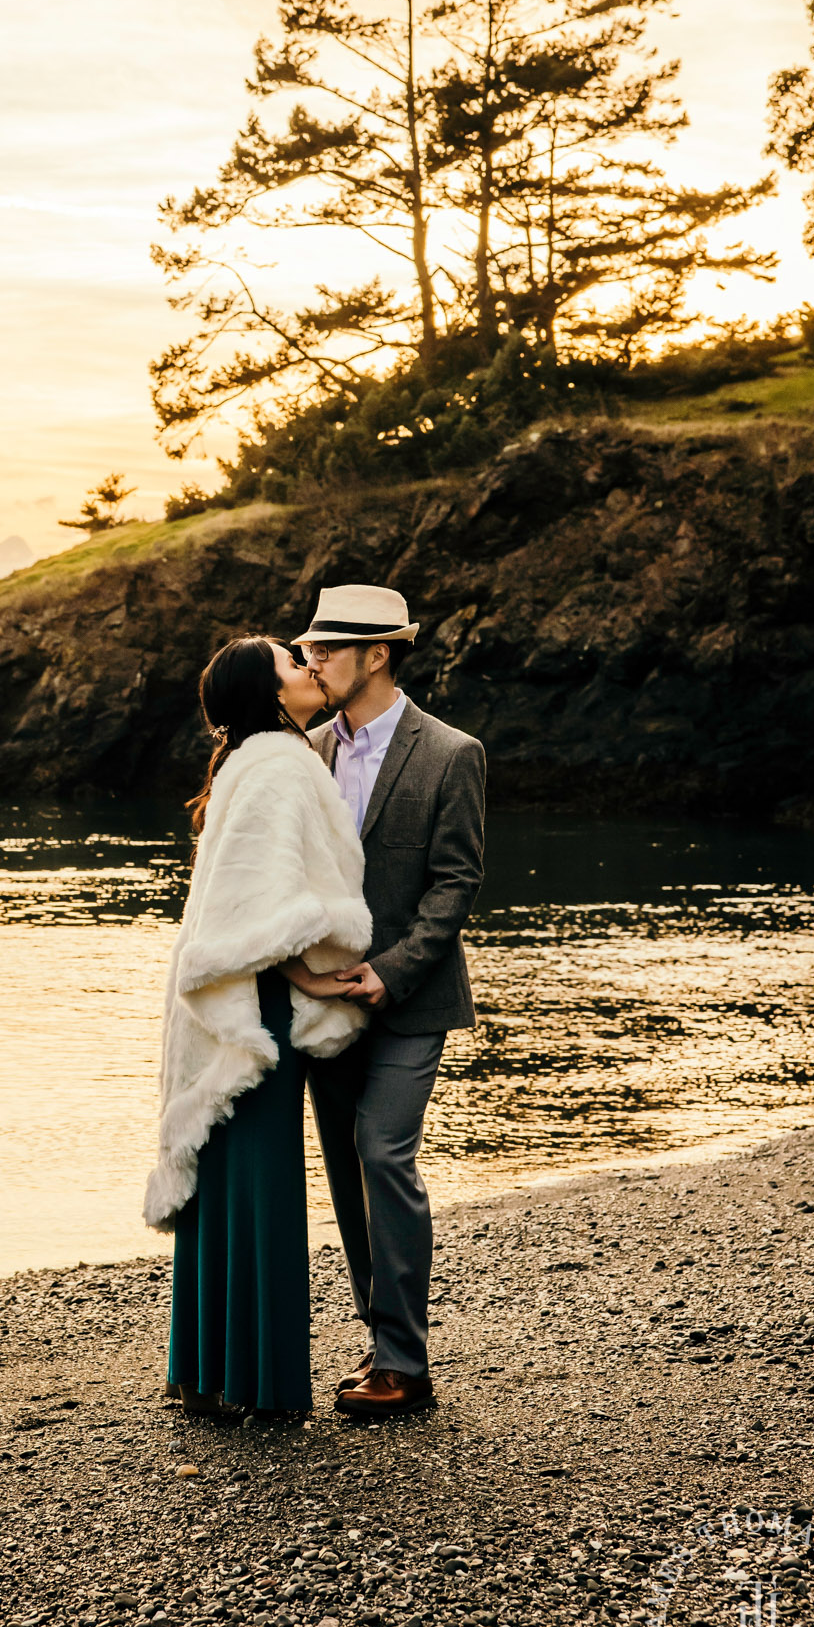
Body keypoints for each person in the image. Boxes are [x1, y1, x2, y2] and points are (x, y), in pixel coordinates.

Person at [143, 636, 374, 1422]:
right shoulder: (276, 762)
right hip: (258, 1013)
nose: (310, 666)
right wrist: (307, 974)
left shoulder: (259, 757)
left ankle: (207, 1372)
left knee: (227, 1188)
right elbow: (253, 908)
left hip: (238, 1006)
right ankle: (258, 1385)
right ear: (266, 694)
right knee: (261, 1191)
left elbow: (245, 894)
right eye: (290, 662)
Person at [282, 582, 485, 1420]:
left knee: (382, 1154)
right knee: (342, 1171)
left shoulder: (450, 752)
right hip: (325, 1003)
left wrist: (391, 971)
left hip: (411, 998)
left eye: (326, 649)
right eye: (308, 650)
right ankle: (380, 1342)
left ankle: (405, 1361)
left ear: (376, 654)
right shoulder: (304, 751)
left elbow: (456, 882)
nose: (311, 661)